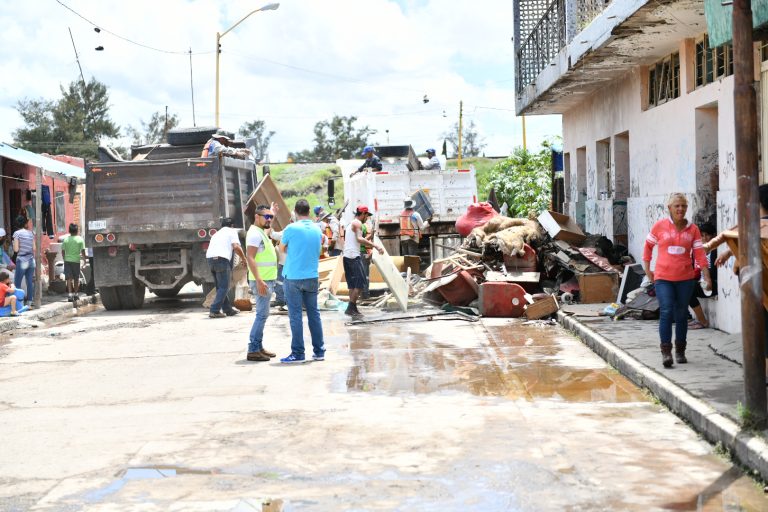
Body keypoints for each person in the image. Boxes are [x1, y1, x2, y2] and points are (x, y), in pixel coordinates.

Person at [643, 193, 711, 368]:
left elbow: (699, 255)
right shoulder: (660, 226)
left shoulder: (693, 229)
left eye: (683, 206)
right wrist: (647, 269)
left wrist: (707, 276)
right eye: (677, 206)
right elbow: (648, 246)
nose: (680, 209)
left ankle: (680, 351)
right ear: (670, 209)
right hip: (663, 278)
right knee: (666, 311)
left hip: (685, 279)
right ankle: (666, 352)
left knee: (681, 314)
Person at [279, 199, 325, 363]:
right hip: (312, 276)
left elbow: (281, 248)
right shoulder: (317, 228)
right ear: (309, 212)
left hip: (293, 277)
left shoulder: (291, 228)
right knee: (314, 314)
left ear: (295, 212)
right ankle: (319, 351)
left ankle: (298, 353)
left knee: (296, 316)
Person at [245, 205, 279, 362]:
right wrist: (259, 280)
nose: (270, 220)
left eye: (271, 217)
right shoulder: (254, 234)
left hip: (266, 280)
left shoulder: (260, 232)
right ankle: (253, 349)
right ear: (257, 217)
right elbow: (250, 257)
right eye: (267, 217)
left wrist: (273, 213)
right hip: (262, 281)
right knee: (261, 315)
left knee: (263, 315)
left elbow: (267, 230)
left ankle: (258, 347)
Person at [343, 206, 384, 317]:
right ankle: (350, 307)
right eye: (367, 216)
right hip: (353, 257)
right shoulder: (357, 223)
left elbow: (359, 241)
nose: (367, 218)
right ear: (363, 213)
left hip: (347, 256)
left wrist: (371, 236)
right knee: (361, 284)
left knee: (352, 285)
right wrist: (376, 246)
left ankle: (353, 308)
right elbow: (359, 239)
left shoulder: (351, 224)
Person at [205, 217, 246, 318]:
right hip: (221, 260)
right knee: (224, 287)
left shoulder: (216, 234)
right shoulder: (231, 231)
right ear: (232, 226)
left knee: (220, 287)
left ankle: (228, 309)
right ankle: (214, 310)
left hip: (210, 260)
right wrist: (244, 259)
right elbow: (236, 247)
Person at [687, 222, 718, 330]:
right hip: (701, 282)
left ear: (714, 235)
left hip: (711, 285)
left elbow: (714, 273)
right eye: (702, 235)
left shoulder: (715, 252)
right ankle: (693, 318)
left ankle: (703, 322)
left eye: (707, 235)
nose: (704, 238)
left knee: (688, 290)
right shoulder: (699, 252)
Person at [12, 217, 35, 308]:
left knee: (17, 282)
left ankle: (19, 303)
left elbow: (16, 249)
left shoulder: (16, 234)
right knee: (29, 281)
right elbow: (34, 248)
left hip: (22, 260)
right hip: (30, 260)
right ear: (25, 224)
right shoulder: (30, 233)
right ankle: (30, 301)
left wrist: (14, 243)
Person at [61, 223, 86, 303]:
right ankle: (76, 294)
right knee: (76, 278)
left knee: (68, 278)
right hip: (76, 261)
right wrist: (85, 260)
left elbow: (63, 251)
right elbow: (83, 251)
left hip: (67, 261)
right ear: (77, 230)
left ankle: (70, 294)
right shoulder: (80, 239)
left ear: (69, 231)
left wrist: (64, 258)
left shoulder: (66, 239)